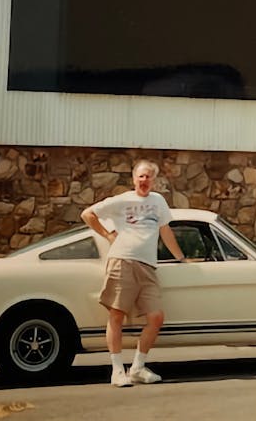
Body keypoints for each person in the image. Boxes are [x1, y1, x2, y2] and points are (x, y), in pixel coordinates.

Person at [80, 159, 187, 387]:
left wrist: (181, 258)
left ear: (154, 180)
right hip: (122, 261)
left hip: (147, 266)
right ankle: (117, 371)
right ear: (133, 178)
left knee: (156, 317)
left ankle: (138, 367)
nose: (145, 180)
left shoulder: (158, 201)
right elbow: (88, 214)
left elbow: (165, 230)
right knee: (116, 315)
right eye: (141, 176)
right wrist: (109, 235)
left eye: (149, 176)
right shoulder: (123, 200)